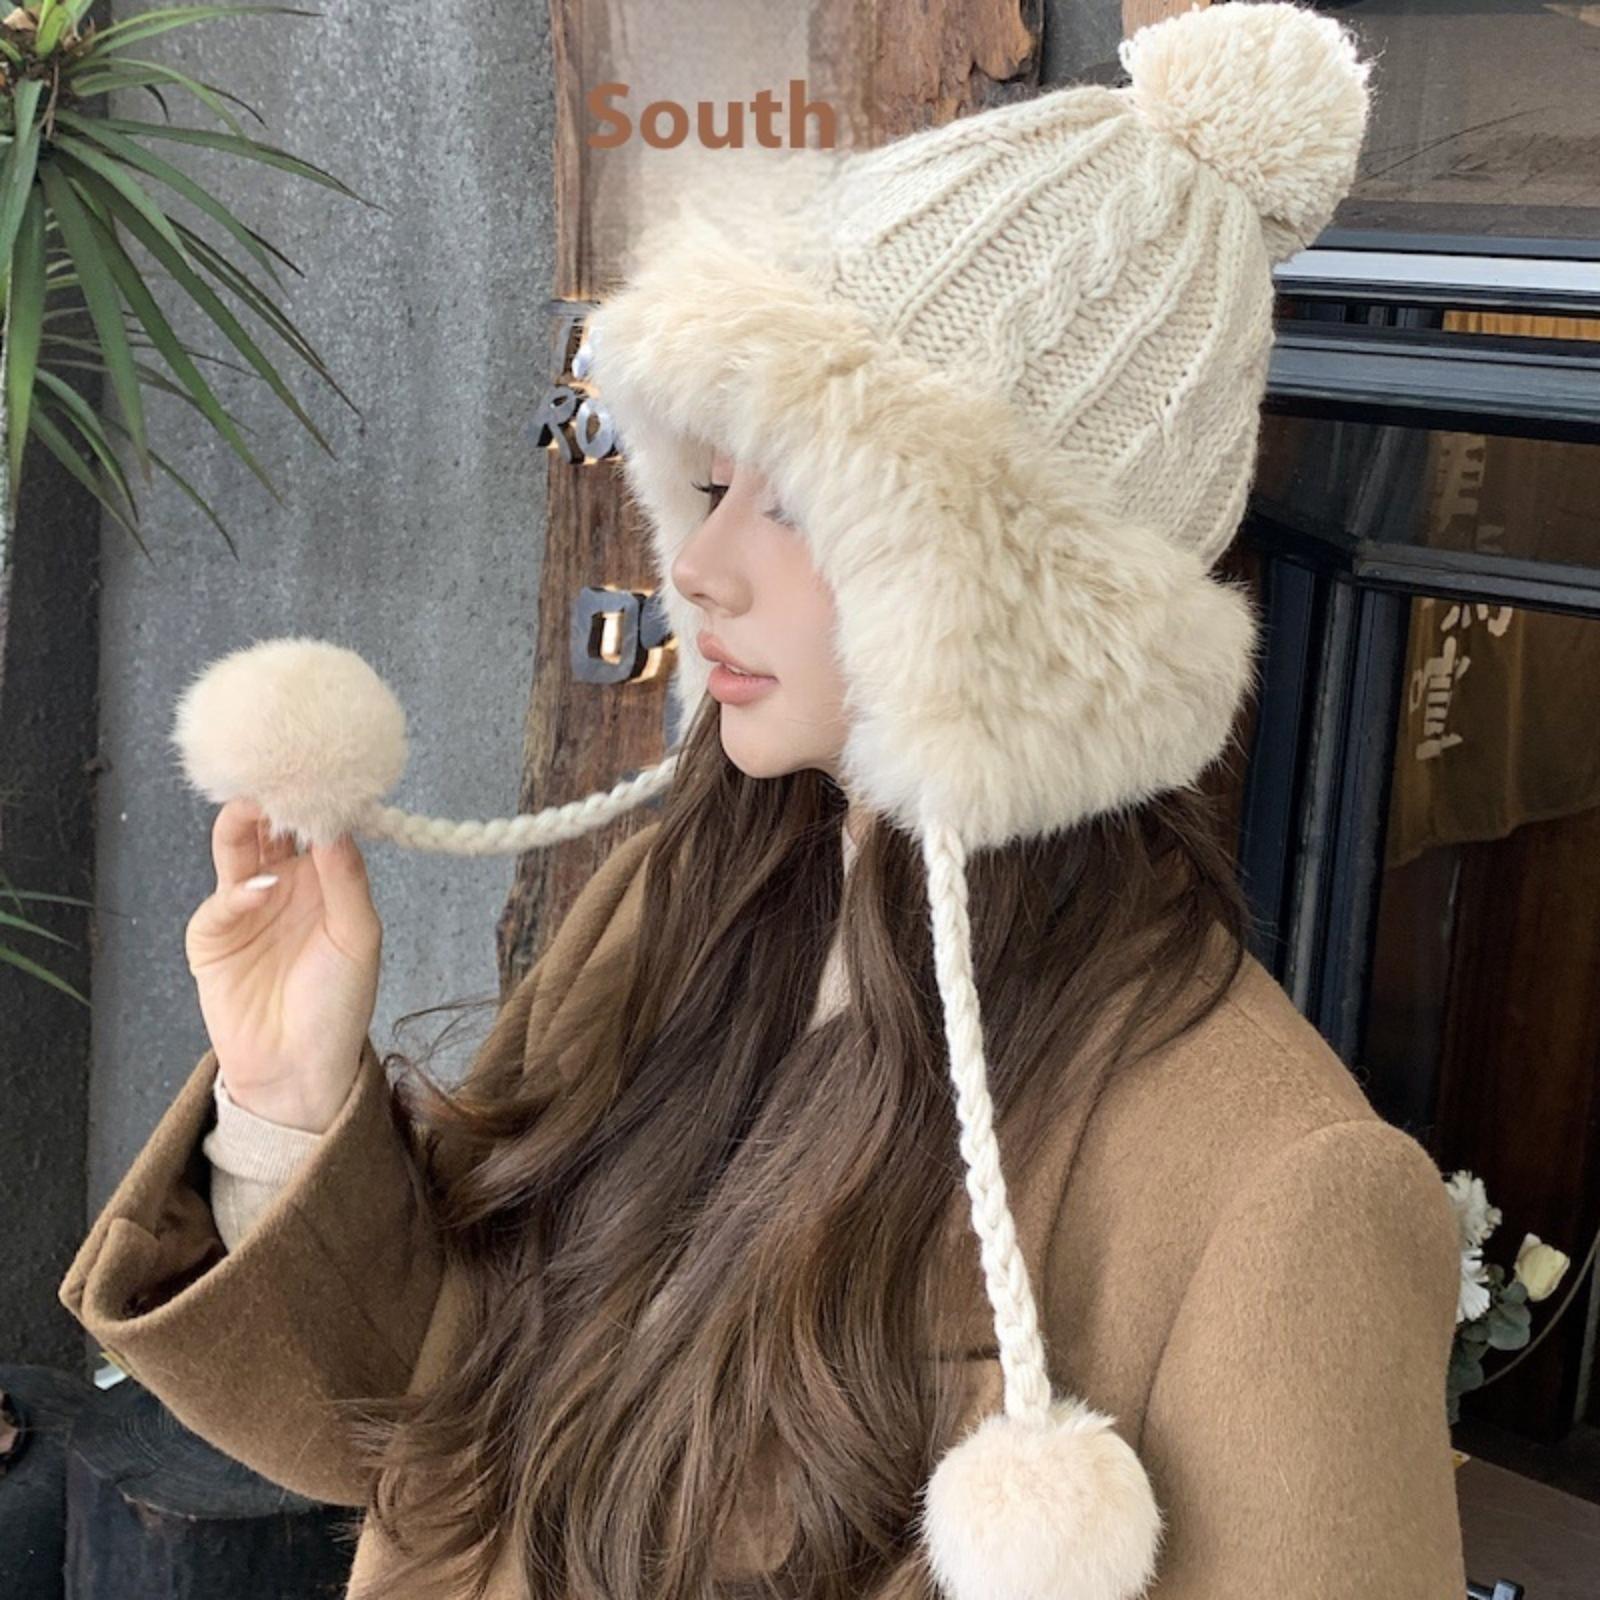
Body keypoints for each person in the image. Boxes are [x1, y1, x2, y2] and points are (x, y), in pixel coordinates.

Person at [59, 7, 1470, 1599]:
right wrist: (285, 1099)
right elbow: (431, 1442)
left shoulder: (1276, 1193)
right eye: (712, 481)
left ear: (1013, 591)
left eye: (795, 499)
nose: (703, 564)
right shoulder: (690, 907)